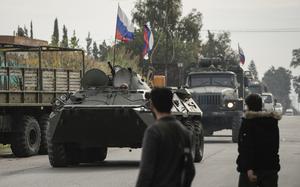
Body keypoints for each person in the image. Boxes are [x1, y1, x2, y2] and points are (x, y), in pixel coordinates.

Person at [136, 87, 195, 187]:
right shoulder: (184, 132)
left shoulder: (154, 131)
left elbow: (146, 171)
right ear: (172, 104)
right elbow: (190, 170)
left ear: (152, 105)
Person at [236, 93, 281, 187]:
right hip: (270, 168)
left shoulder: (248, 123)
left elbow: (246, 147)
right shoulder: (272, 122)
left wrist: (248, 168)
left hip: (252, 171)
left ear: (248, 106)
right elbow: (275, 146)